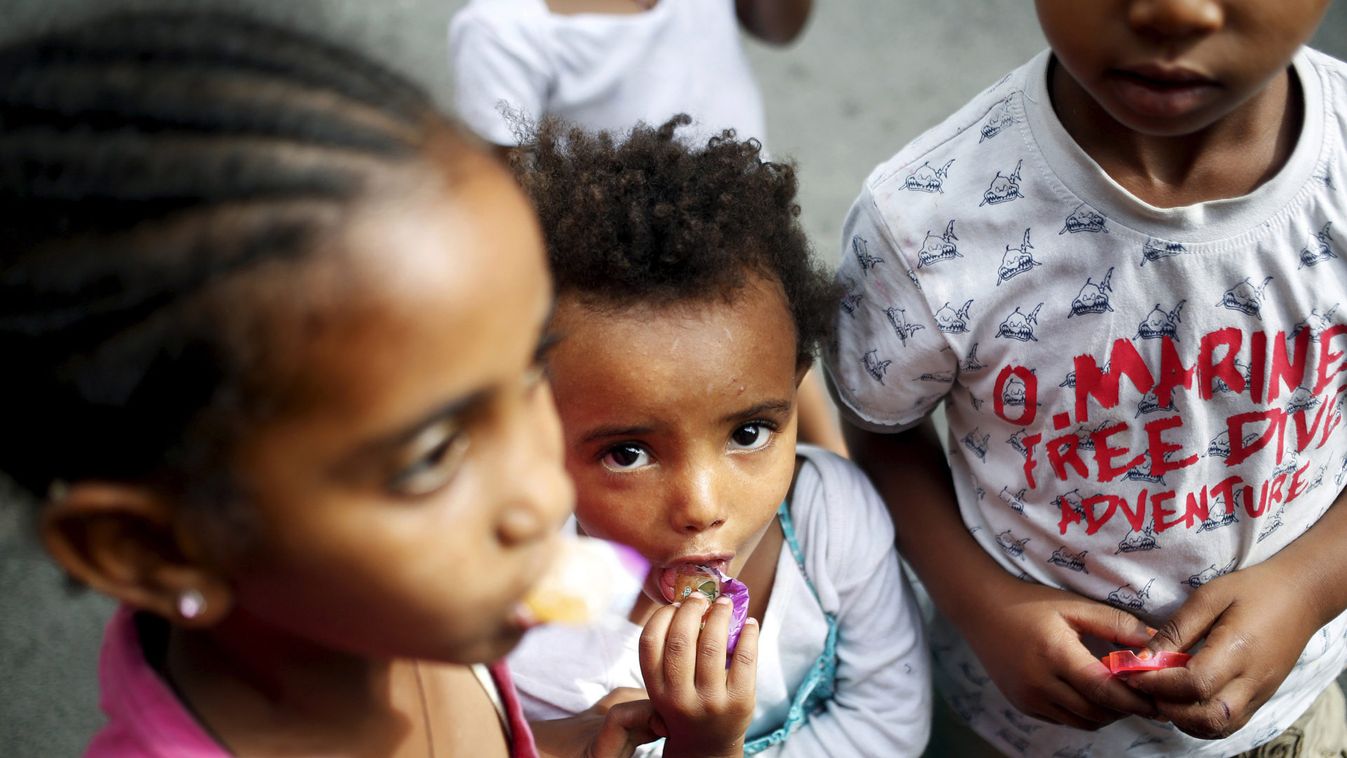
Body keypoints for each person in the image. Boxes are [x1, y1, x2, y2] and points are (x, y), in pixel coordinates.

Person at [0, 11, 658, 757]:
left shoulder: (404, 618)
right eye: (429, 459)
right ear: (150, 549)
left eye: (533, 365)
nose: (546, 496)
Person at [825, 0, 1347, 755]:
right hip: (1014, 731)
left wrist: (1308, 586)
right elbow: (881, 436)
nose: (1171, 10)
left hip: (1288, 715)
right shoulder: (922, 223)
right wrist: (984, 606)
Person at [507, 116, 931, 757]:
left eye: (751, 432)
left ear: (796, 389)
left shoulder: (832, 523)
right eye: (628, 453)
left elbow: (889, 724)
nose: (703, 505)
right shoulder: (543, 630)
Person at [447, 0, 848, 460]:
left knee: (767, 379)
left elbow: (780, 29)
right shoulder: (502, 27)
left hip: (742, 238)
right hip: (618, 285)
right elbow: (505, 192)